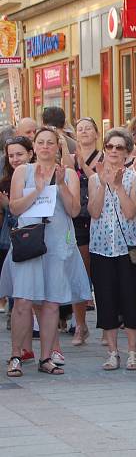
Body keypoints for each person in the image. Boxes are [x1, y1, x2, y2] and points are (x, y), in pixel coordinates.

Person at [1, 127, 91, 377]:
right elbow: (16, 208)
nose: (44, 147)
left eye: (50, 143)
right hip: (30, 241)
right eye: (40, 142)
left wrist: (60, 184)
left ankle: (46, 357)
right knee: (23, 300)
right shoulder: (23, 171)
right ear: (34, 147)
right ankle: (16, 354)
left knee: (51, 303)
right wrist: (38, 189)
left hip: (57, 243)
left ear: (57, 147)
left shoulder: (69, 173)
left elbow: (74, 210)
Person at [87, 129, 136, 371]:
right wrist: (102, 183)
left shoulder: (134, 177)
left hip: (128, 249)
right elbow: (94, 212)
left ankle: (132, 352)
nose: (113, 151)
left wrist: (119, 187)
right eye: (109, 147)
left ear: (127, 152)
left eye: (119, 148)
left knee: (130, 300)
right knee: (106, 300)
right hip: (101, 249)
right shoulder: (93, 178)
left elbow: (132, 213)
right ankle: (112, 352)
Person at [0, 136, 34, 366]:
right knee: (18, 297)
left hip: (31, 238)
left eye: (19, 154)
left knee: (34, 299)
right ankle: (20, 348)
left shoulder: (37, 175)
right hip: (10, 239)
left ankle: (29, 348)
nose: (15, 159)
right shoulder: (4, 181)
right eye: (11, 155)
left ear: (30, 153)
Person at [70, 117, 103, 346]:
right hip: (77, 219)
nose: (83, 132)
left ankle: (106, 325)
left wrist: (84, 166)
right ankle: (80, 324)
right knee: (80, 272)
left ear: (96, 133)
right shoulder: (69, 159)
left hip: (100, 218)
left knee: (102, 274)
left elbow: (102, 180)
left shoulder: (104, 157)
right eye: (80, 129)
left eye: (88, 128)